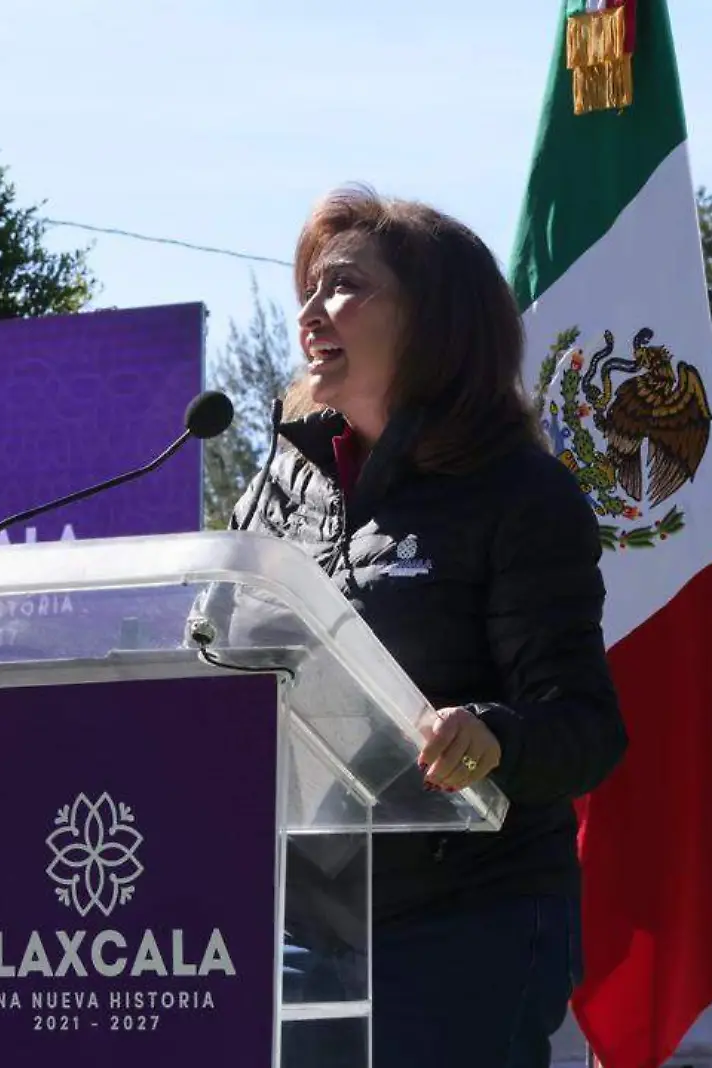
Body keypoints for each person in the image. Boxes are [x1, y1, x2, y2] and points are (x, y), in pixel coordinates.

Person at [226, 184, 627, 1068]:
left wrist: (491, 736)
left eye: (343, 287)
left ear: (434, 321)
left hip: (469, 921)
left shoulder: (521, 495)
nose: (309, 312)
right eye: (307, 290)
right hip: (309, 916)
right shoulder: (277, 489)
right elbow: (215, 659)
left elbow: (585, 728)